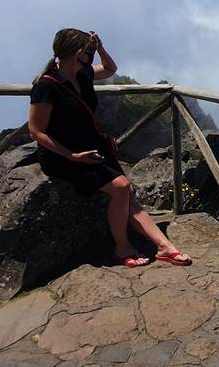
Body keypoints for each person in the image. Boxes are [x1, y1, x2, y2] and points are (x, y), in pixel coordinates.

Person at [28, 28, 192, 268]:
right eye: (90, 50)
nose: (93, 54)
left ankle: (165, 247)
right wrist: (72, 156)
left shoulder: (82, 74)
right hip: (63, 156)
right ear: (78, 52)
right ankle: (122, 248)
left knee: (127, 195)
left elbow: (110, 69)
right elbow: (36, 131)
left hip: (91, 149)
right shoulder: (47, 86)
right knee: (121, 186)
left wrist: (101, 47)